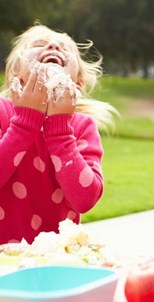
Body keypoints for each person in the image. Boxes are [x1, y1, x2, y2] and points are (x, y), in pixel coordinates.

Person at [0, 24, 117, 244]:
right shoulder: (1, 112)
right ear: (18, 77)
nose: (54, 46)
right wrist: (25, 124)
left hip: (54, 259)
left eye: (65, 49)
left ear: (78, 84)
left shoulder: (82, 127)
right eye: (38, 45)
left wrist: (60, 130)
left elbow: (85, 199)